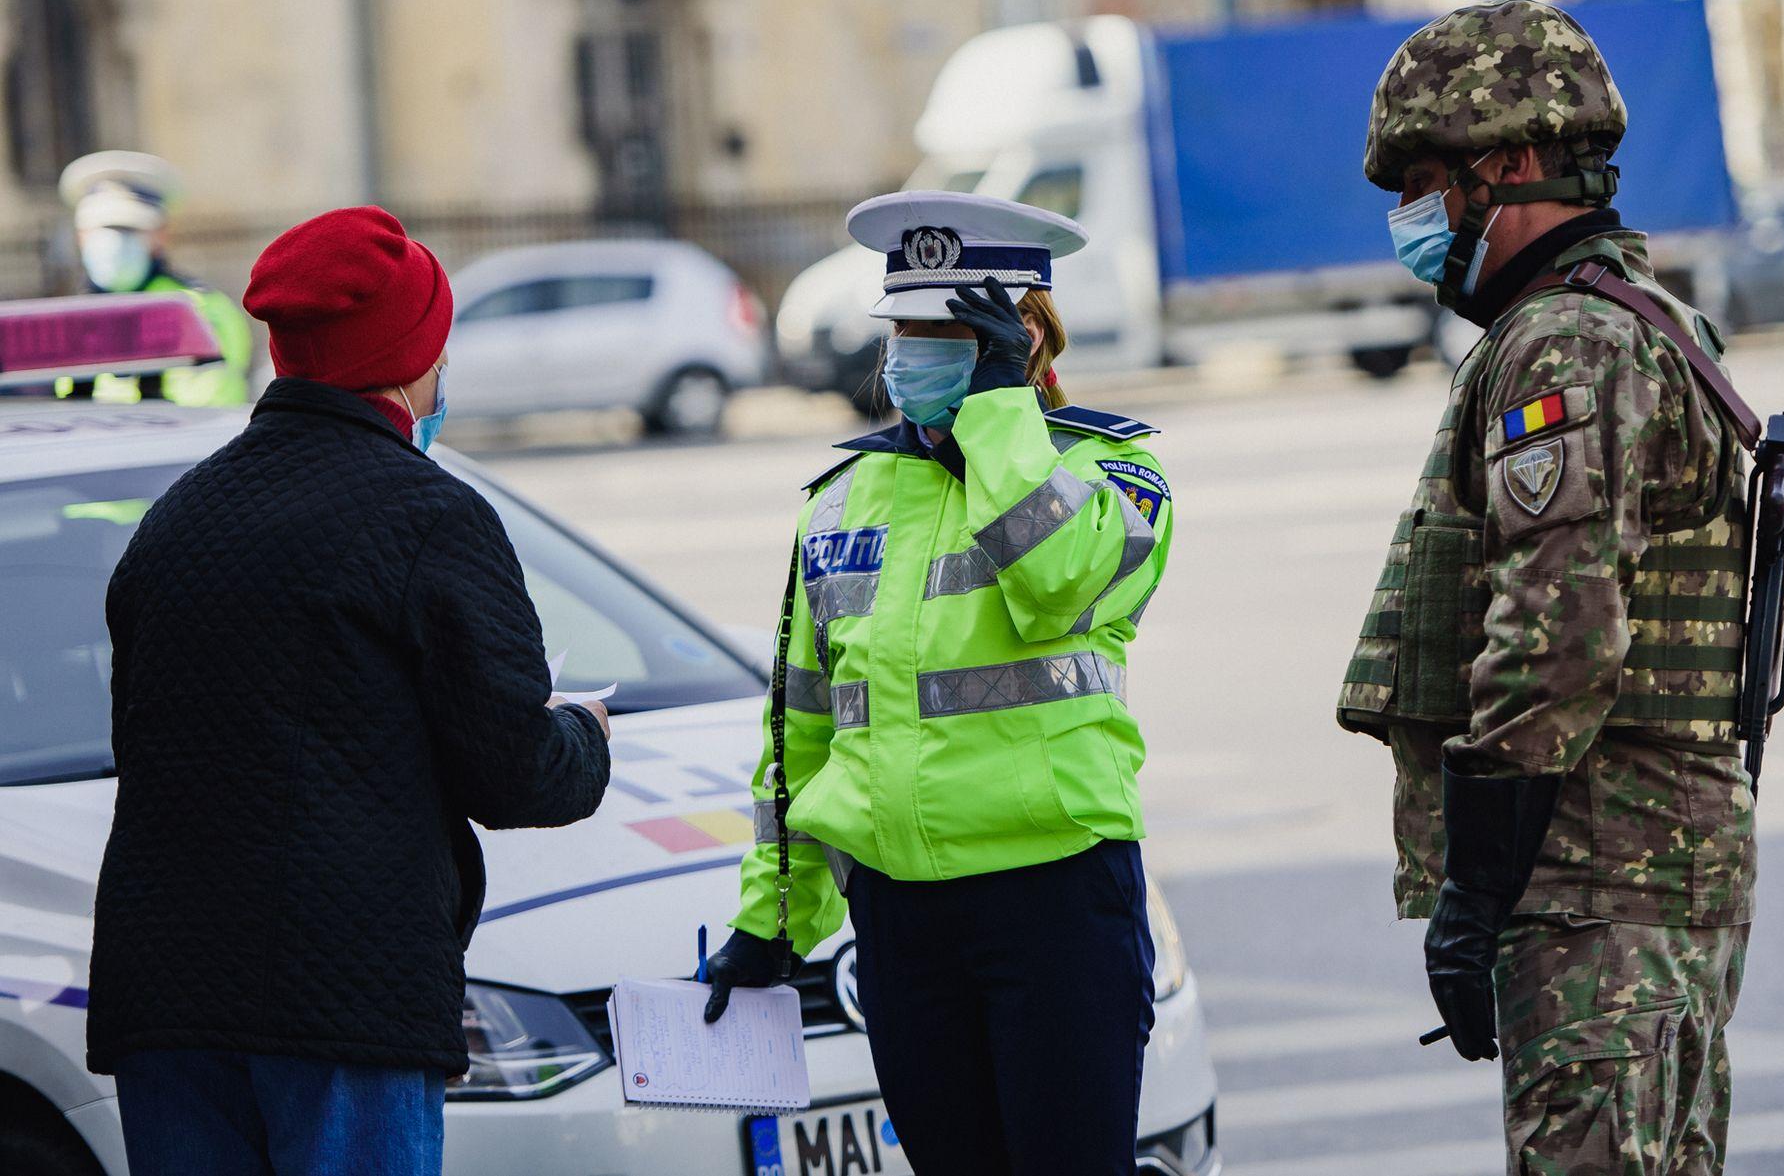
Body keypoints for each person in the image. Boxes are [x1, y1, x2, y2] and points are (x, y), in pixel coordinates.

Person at [88, 206, 613, 1176]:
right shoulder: (428, 515)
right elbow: (514, 772)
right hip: (341, 1005)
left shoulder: (176, 522)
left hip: (164, 998)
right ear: (411, 362)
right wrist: (583, 734)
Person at [1335, 0, 1756, 1176]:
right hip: (1637, 869)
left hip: (1596, 876)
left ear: (1510, 164)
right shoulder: (1649, 316)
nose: (1413, 220)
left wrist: (1478, 890)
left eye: (1427, 181)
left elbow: (1555, 634)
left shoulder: (1568, 340)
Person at [702, 191, 1174, 1174]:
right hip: (904, 921)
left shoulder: (1115, 476)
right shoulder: (840, 501)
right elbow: (800, 732)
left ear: (1022, 338)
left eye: (946, 333)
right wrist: (775, 914)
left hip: (1053, 904)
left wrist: (1002, 410)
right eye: (904, 328)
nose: (910, 355)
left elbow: (1051, 583)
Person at [55, 150, 253, 404]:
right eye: (102, 229)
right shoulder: (70, 316)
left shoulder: (200, 309)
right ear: (80, 236)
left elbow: (207, 402)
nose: (114, 243)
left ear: (161, 235)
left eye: (129, 229)